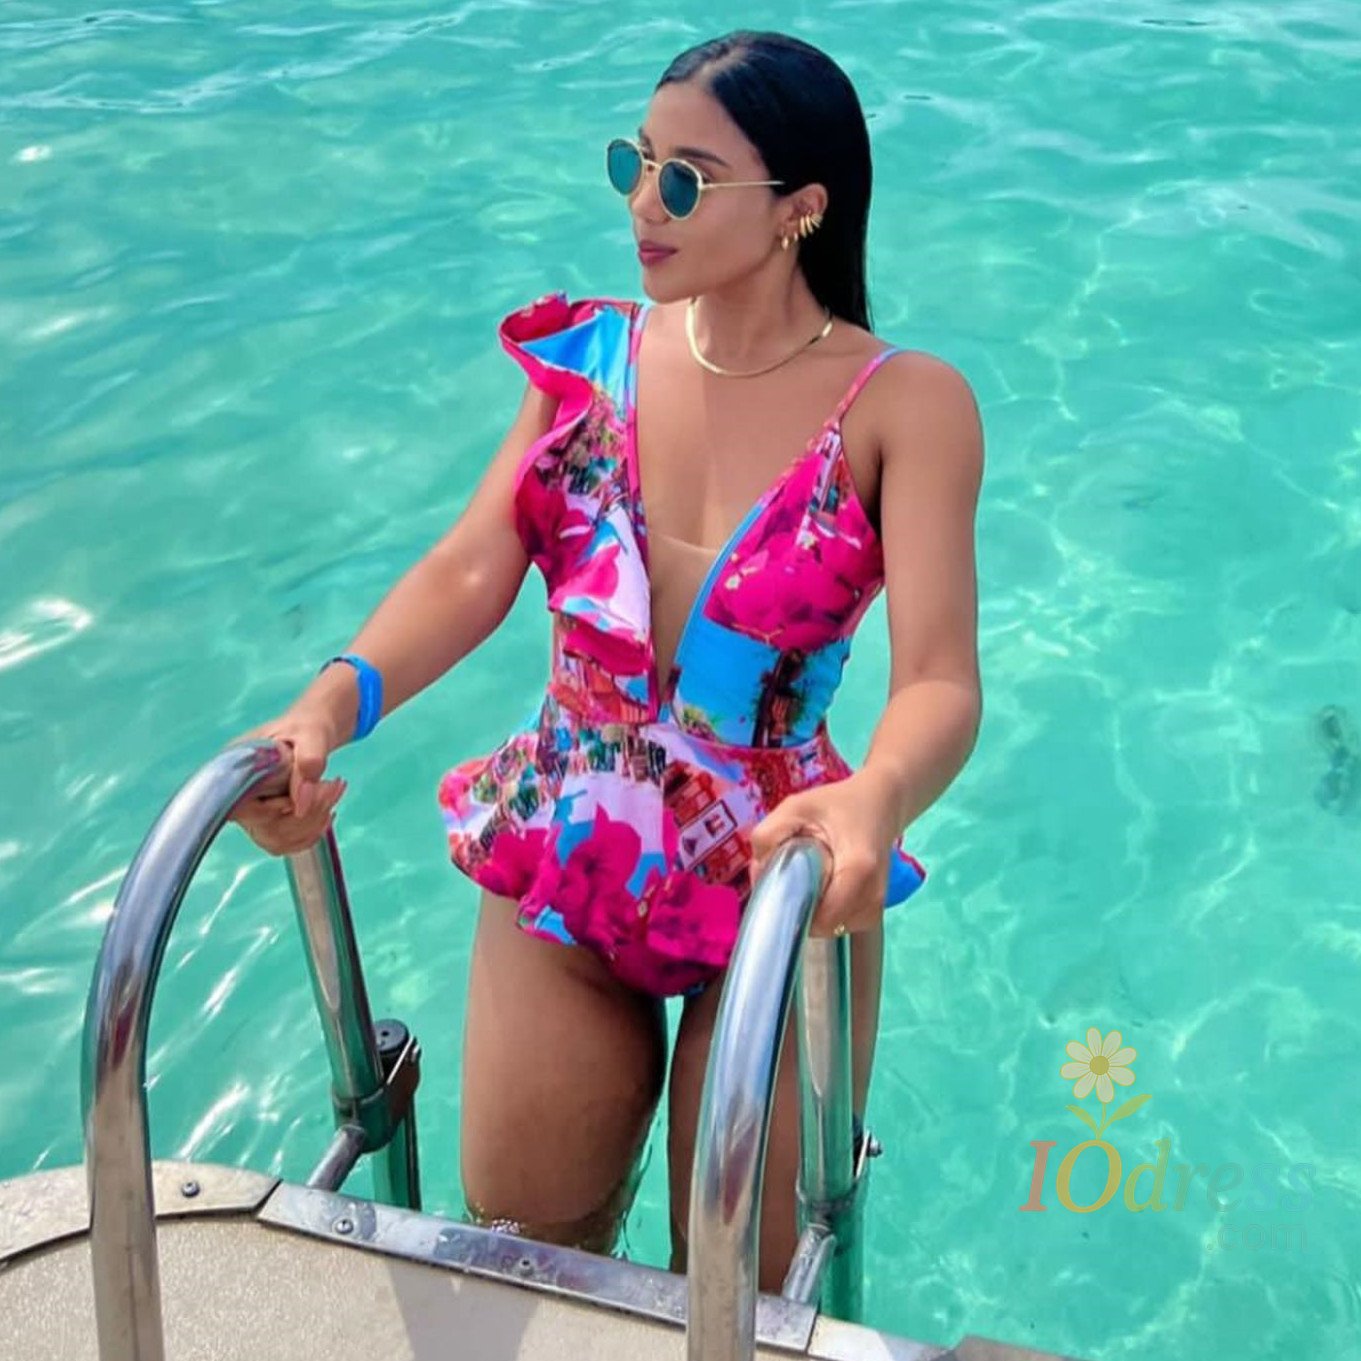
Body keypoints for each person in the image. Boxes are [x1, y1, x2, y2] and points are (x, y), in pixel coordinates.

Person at [232, 29, 984, 1290]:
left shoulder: (905, 406)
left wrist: (877, 797)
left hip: (784, 873)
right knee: (521, 1258)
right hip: (567, 847)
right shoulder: (587, 361)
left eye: (685, 179)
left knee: (737, 1296)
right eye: (634, 164)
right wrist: (325, 706)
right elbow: (470, 568)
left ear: (799, 209)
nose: (643, 203)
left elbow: (940, 680)